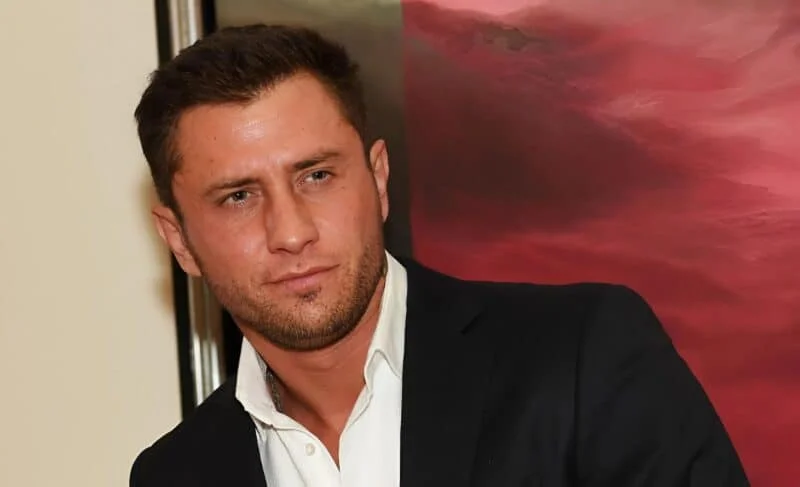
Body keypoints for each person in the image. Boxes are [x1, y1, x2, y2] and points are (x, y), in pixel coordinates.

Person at [130, 24, 749, 487]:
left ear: (377, 179)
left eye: (316, 176)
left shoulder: (582, 360)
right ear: (180, 240)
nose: (291, 232)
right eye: (238, 197)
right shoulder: (175, 474)